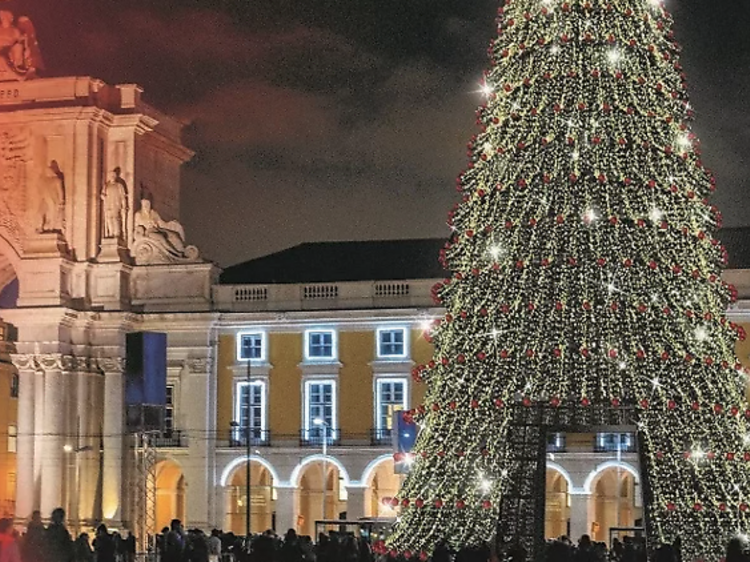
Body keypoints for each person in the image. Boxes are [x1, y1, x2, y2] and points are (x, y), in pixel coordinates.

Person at [101, 168, 128, 239]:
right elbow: (102, 194)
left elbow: (123, 197)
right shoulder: (106, 186)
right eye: (111, 175)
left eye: (113, 175)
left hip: (116, 204)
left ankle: (117, 233)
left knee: (115, 218)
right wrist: (103, 196)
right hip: (108, 205)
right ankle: (111, 233)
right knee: (109, 219)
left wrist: (124, 206)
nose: (112, 177)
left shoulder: (119, 185)